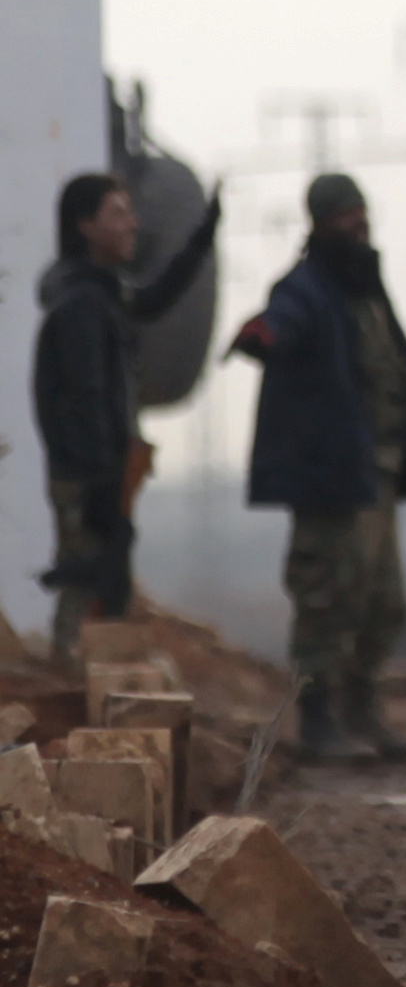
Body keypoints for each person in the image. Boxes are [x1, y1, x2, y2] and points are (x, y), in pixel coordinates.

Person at [236, 174, 406, 761]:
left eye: (361, 212)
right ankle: (318, 722)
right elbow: (281, 321)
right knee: (327, 601)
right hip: (331, 478)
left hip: (375, 478)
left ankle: (361, 711)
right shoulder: (307, 288)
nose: (358, 225)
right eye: (345, 215)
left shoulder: (364, 289)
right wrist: (263, 334)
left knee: (382, 604)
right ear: (320, 224)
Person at [30, 171, 221, 665]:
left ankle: (93, 682)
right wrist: (98, 482)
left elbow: (153, 299)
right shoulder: (81, 303)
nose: (133, 224)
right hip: (89, 473)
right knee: (88, 587)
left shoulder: (104, 291)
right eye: (117, 213)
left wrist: (199, 242)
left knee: (104, 581)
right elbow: (84, 398)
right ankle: (76, 683)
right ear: (86, 225)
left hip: (104, 468)